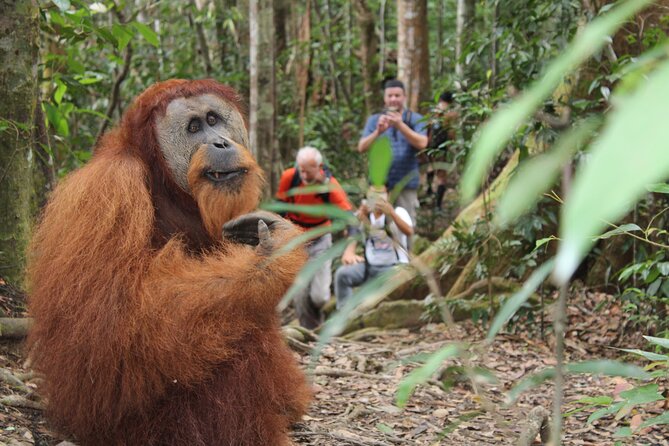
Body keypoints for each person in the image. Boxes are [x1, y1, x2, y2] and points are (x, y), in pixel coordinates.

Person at [276, 146, 355, 329]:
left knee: (319, 297)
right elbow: (280, 208)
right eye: (301, 169)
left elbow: (351, 219)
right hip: (296, 239)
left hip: (320, 240)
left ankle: (323, 320)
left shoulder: (330, 187)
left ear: (318, 167)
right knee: (299, 293)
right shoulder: (290, 177)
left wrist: (350, 249)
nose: (303, 174)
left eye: (308, 170)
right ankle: (309, 332)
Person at [357, 79, 428, 231]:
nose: (393, 99)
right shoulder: (375, 120)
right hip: (379, 186)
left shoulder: (414, 119)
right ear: (384, 98)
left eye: (397, 95)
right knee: (375, 227)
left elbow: (423, 143)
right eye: (390, 96)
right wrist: (378, 132)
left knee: (405, 225)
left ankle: (406, 254)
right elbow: (361, 147)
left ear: (404, 97)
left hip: (406, 184)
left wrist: (400, 125)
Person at [334, 185, 413, 309]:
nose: (377, 200)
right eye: (373, 196)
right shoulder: (365, 215)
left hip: (394, 267)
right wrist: (359, 218)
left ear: (388, 196)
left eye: (380, 195)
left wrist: (391, 213)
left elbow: (409, 231)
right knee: (342, 274)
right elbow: (350, 234)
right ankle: (344, 314)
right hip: (369, 268)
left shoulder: (398, 212)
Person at [425, 90, 458, 210]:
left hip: (430, 145)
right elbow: (451, 132)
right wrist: (452, 144)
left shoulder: (433, 111)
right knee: (442, 176)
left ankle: (428, 190)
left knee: (430, 167)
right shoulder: (450, 113)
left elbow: (427, 128)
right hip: (442, 146)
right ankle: (438, 206)